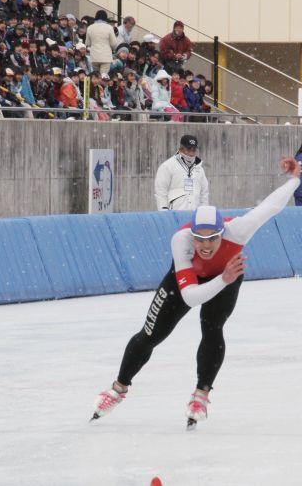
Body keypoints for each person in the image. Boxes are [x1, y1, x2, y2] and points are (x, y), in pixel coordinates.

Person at [91, 156, 301, 428]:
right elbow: (190, 296)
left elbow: (271, 206)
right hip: (194, 280)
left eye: (212, 238)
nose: (205, 245)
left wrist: (295, 178)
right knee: (151, 334)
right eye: (199, 238)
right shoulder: (182, 241)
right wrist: (223, 278)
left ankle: (201, 394)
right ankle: (117, 389)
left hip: (226, 277)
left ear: (222, 232)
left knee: (212, 328)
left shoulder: (237, 231)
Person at [154, 135, 209, 210]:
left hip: (194, 216)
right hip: (174, 215)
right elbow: (161, 191)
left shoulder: (199, 169)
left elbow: (204, 193)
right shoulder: (167, 166)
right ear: (181, 149)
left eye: (194, 149)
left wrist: (204, 211)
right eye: (189, 149)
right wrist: (164, 212)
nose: (191, 153)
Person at [85, 9, 117, 75]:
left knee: (96, 76)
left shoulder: (90, 27)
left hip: (94, 56)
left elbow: (87, 43)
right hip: (106, 56)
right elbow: (114, 44)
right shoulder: (109, 27)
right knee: (103, 76)